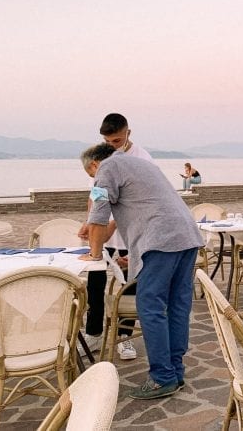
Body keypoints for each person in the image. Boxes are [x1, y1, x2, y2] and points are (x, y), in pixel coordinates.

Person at [80, 143, 205, 399]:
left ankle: (162, 377)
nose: (95, 180)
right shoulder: (141, 164)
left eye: (91, 176)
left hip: (161, 240)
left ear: (94, 165)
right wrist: (135, 252)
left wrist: (94, 254)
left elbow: (98, 214)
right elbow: (147, 203)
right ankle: (175, 372)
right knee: (177, 305)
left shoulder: (106, 168)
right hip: (187, 236)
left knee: (149, 306)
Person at [78, 113, 154, 359]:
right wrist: (89, 223)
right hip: (104, 235)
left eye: (116, 140)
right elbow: (96, 195)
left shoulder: (142, 159)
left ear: (128, 133)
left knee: (129, 284)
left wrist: (109, 224)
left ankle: (124, 337)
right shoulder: (102, 157)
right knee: (95, 283)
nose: (111, 145)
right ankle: (94, 332)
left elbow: (140, 202)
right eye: (107, 141)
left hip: (130, 234)